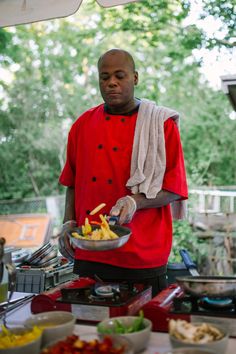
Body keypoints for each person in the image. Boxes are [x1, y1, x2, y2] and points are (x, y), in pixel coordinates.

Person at [58, 48, 188, 297]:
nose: (111, 83)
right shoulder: (82, 124)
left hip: (142, 252)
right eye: (104, 77)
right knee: (89, 330)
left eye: (120, 75)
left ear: (135, 78)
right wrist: (68, 222)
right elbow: (72, 182)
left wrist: (134, 201)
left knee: (143, 328)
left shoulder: (161, 125)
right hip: (90, 248)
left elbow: (175, 188)